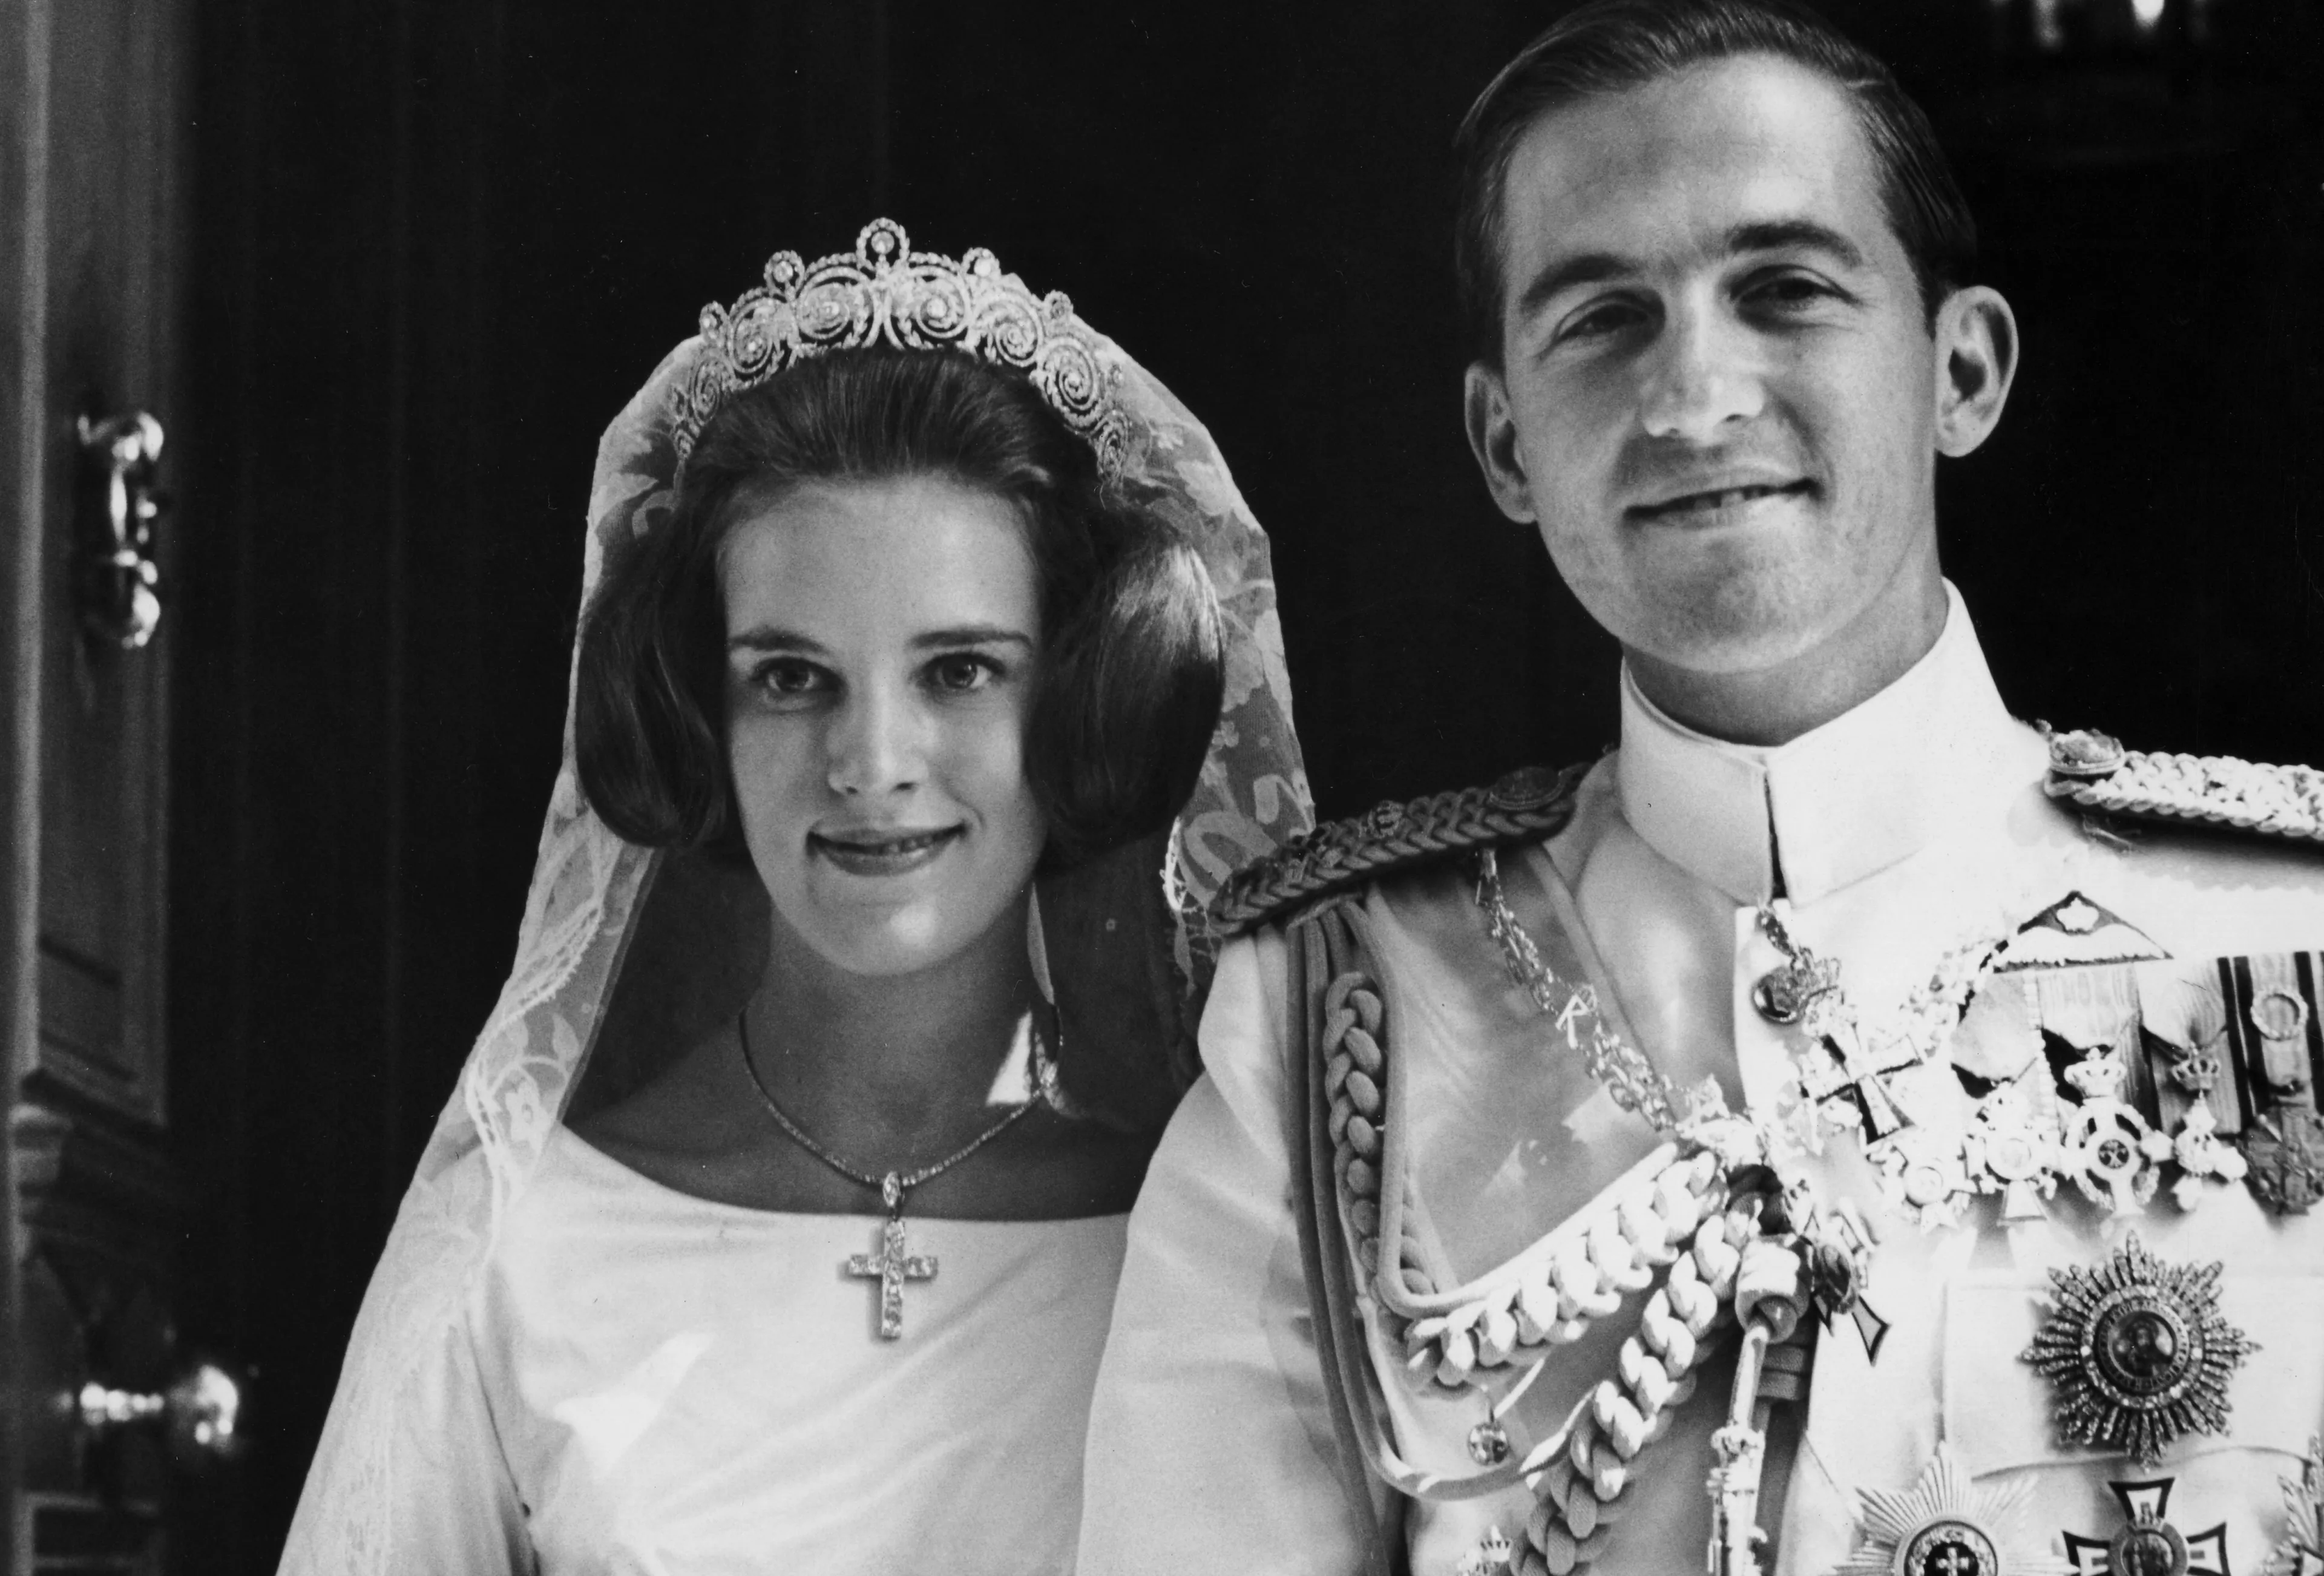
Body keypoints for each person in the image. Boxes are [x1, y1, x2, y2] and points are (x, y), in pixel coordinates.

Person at [1077, 5, 2324, 1576]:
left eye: (1785, 289)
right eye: (1603, 319)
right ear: (1503, 445)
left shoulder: (2284, 931)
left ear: (1962, 371)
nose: (1692, 398)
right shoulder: (1336, 1007)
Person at [277, 220, 1311, 1575]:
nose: (870, 763)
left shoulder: (1216, 1231)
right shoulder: (524, 1238)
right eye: (789, 677)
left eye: (960, 671)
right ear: (699, 713)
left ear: (1081, 699)